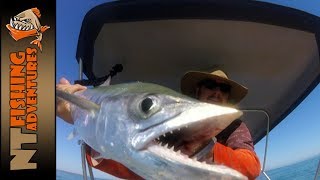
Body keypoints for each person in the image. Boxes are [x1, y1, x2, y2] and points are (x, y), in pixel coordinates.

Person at [56, 69, 261, 180]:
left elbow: (250, 167)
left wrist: (200, 147)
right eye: (210, 85)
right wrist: (74, 112)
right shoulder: (167, 123)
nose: (217, 92)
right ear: (197, 90)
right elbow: (129, 162)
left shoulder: (235, 127)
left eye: (224, 88)